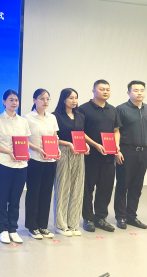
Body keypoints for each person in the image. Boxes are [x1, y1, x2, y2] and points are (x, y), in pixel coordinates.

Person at [79, 79, 122, 233]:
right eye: (102, 89)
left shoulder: (113, 110)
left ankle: (100, 218)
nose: (105, 92)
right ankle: (88, 218)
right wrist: (96, 145)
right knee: (87, 189)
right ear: (93, 91)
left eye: (108, 89)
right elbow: (80, 132)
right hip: (90, 156)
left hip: (108, 157)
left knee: (106, 188)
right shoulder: (83, 109)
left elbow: (116, 130)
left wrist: (116, 145)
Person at [0, 89, 30, 245]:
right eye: (11, 100)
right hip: (4, 164)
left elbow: (25, 142)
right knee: (3, 197)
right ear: (4, 102)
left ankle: (13, 228)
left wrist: (25, 153)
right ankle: (3, 229)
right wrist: (8, 151)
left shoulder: (23, 121)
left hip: (21, 165)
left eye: (16, 100)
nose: (14, 103)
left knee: (15, 198)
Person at [114, 81, 147, 230]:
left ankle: (131, 216)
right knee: (123, 185)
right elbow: (116, 131)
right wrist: (117, 150)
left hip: (143, 152)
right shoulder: (121, 109)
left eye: (142, 90)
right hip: (126, 151)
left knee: (137, 186)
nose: (139, 93)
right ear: (128, 93)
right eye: (136, 90)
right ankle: (120, 216)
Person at [53, 88, 89, 237]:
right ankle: (60, 225)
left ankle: (73, 223)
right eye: (71, 98)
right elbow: (53, 138)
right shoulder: (56, 116)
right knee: (63, 187)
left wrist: (86, 145)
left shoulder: (80, 115)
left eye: (76, 98)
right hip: (63, 151)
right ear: (64, 100)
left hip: (78, 153)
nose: (74, 101)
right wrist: (68, 144)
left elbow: (81, 134)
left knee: (78, 187)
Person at [24, 89, 59, 240]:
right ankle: (32, 226)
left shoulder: (52, 117)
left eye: (48, 99)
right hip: (34, 160)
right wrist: (37, 149)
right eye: (42, 98)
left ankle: (43, 225)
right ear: (34, 100)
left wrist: (57, 150)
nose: (45, 101)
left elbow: (54, 137)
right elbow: (25, 140)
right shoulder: (27, 118)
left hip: (50, 160)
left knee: (46, 193)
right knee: (34, 193)